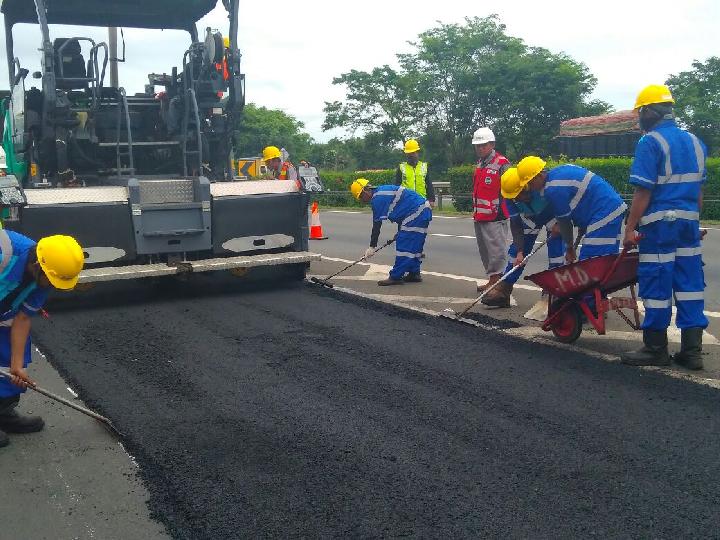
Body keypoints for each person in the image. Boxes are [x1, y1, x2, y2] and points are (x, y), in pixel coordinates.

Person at [620, 85, 708, 369]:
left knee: (657, 281)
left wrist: (630, 227)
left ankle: (655, 349)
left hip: (660, 226)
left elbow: (643, 192)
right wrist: (694, 221)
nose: (638, 118)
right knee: (690, 284)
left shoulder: (650, 142)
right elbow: (698, 193)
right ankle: (692, 352)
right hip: (688, 223)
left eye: (639, 112)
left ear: (648, 111)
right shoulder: (695, 141)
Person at [0, 232, 84, 448]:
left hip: (4, 313)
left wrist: (16, 366)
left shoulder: (45, 278)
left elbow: (23, 317)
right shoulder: (5, 251)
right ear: (38, 265)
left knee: (9, 361)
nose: (52, 286)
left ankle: (3, 414)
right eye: (52, 280)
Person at [516, 156, 626, 262]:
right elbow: (582, 197)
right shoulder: (560, 171)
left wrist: (569, 248)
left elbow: (565, 223)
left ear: (539, 176)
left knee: (591, 260)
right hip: (610, 208)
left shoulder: (553, 190)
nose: (530, 188)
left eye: (529, 183)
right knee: (607, 259)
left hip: (604, 211)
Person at [496, 167, 566, 304]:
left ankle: (552, 291)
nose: (518, 199)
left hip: (552, 216)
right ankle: (504, 288)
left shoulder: (540, 185)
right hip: (529, 219)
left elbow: (563, 203)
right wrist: (521, 252)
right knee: (515, 254)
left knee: (557, 253)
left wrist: (561, 223)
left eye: (520, 195)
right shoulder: (510, 197)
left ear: (527, 185)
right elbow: (516, 225)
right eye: (515, 197)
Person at [350, 178, 431, 286]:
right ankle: (414, 273)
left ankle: (396, 277)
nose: (362, 201)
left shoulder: (377, 199)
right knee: (414, 245)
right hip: (422, 210)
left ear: (365, 191)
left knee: (404, 246)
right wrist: (400, 230)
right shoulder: (382, 191)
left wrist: (372, 247)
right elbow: (402, 210)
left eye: (360, 197)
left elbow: (377, 225)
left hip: (416, 213)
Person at [470, 127, 512, 306]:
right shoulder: (480, 163)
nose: (480, 148)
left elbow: (510, 189)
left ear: (492, 144)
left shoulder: (502, 163)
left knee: (497, 252)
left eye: (483, 145)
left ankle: (498, 283)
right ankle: (492, 279)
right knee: (485, 251)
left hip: (496, 216)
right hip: (480, 215)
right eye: (477, 145)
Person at [394, 139, 436, 207]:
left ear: (417, 152)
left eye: (413, 153)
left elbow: (428, 184)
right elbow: (397, 185)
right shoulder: (401, 167)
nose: (411, 155)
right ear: (406, 154)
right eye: (409, 153)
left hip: (422, 201)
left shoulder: (424, 167)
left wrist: (431, 199)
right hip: (406, 202)